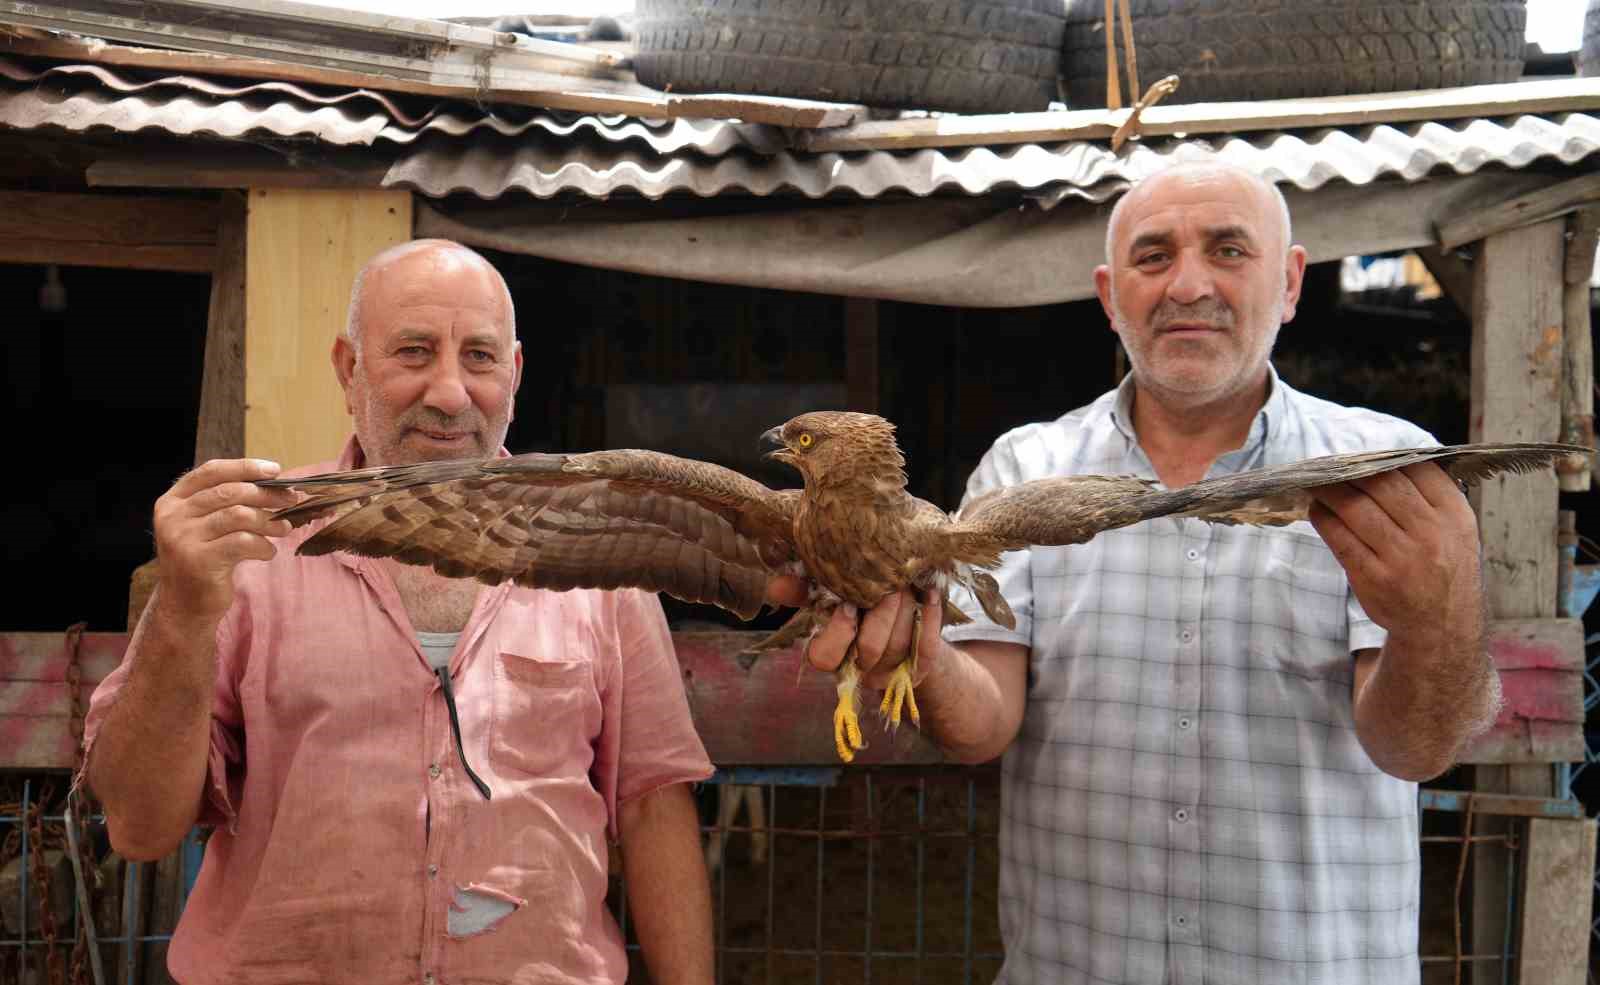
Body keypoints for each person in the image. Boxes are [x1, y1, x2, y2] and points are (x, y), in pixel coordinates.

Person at [800, 160, 1499, 984]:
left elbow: (1414, 747)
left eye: (1229, 250)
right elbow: (983, 721)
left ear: (1290, 283)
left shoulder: (1384, 473)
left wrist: (1436, 624)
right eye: (1154, 256)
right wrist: (917, 656)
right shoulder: (1025, 468)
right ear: (1109, 295)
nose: (1188, 285)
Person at [79, 239, 716, 985]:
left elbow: (652, 807)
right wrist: (183, 611)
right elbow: (139, 828)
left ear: (513, 375)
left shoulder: (601, 560)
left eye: (478, 357)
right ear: (348, 368)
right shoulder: (253, 548)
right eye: (414, 351)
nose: (449, 393)